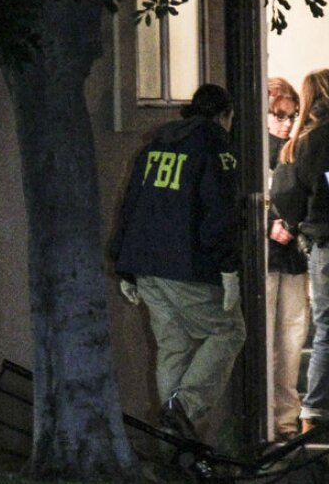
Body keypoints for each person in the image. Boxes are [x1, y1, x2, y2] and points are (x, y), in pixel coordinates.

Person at [110, 84, 245, 441]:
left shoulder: (157, 144)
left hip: (144, 264)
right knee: (229, 331)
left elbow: (132, 202)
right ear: (224, 114)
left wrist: (124, 265)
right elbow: (220, 212)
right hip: (185, 264)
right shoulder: (215, 144)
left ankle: (174, 448)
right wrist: (229, 268)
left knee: (174, 348)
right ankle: (182, 409)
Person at [269, 69, 329, 433]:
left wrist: (291, 222)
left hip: (328, 244)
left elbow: (288, 198)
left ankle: (313, 414)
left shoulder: (305, 143)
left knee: (328, 329)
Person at [265, 77, 310, 441]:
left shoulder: (297, 150)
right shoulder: (255, 149)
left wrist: (293, 224)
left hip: (292, 256)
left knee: (292, 339)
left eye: (292, 115)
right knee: (269, 337)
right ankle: (269, 417)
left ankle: (285, 418)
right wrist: (270, 225)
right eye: (279, 114)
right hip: (266, 256)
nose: (285, 122)